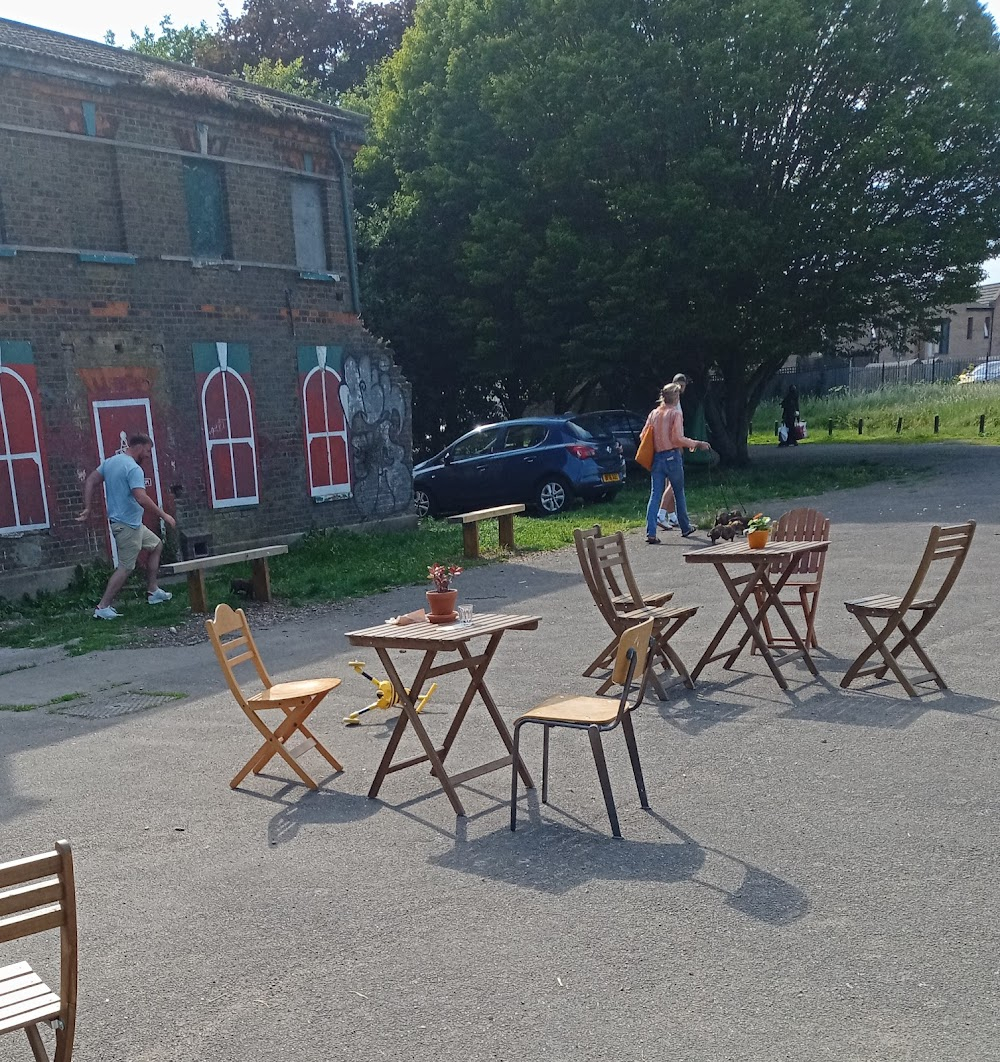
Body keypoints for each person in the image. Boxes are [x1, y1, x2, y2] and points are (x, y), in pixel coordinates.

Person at [77, 433, 177, 619]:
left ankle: (153, 591)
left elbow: (90, 480)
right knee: (126, 567)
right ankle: (102, 607)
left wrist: (88, 507)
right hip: (126, 526)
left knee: (156, 545)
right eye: (147, 451)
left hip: (133, 524)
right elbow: (141, 498)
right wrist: (164, 515)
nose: (148, 456)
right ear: (138, 447)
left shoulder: (110, 462)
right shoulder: (133, 468)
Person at [644, 383, 711, 544]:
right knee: (678, 492)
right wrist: (697, 444)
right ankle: (685, 526)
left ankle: (650, 532)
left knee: (655, 494)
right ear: (676, 397)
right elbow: (677, 439)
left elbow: (643, 435)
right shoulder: (675, 414)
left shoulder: (654, 413)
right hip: (672, 457)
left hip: (657, 457)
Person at [657, 373, 689, 530]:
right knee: (675, 484)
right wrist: (681, 445)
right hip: (673, 448)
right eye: (679, 386)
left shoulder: (675, 403)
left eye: (683, 386)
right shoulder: (674, 406)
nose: (681, 389)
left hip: (666, 449)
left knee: (669, 483)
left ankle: (672, 516)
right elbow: (675, 431)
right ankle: (661, 514)